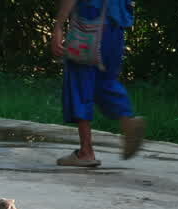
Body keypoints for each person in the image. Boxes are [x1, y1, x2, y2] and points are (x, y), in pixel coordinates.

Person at [50, 0, 146, 167]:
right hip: (115, 27)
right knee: (106, 81)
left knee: (79, 83)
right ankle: (128, 119)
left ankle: (86, 152)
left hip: (89, 23)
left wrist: (58, 26)